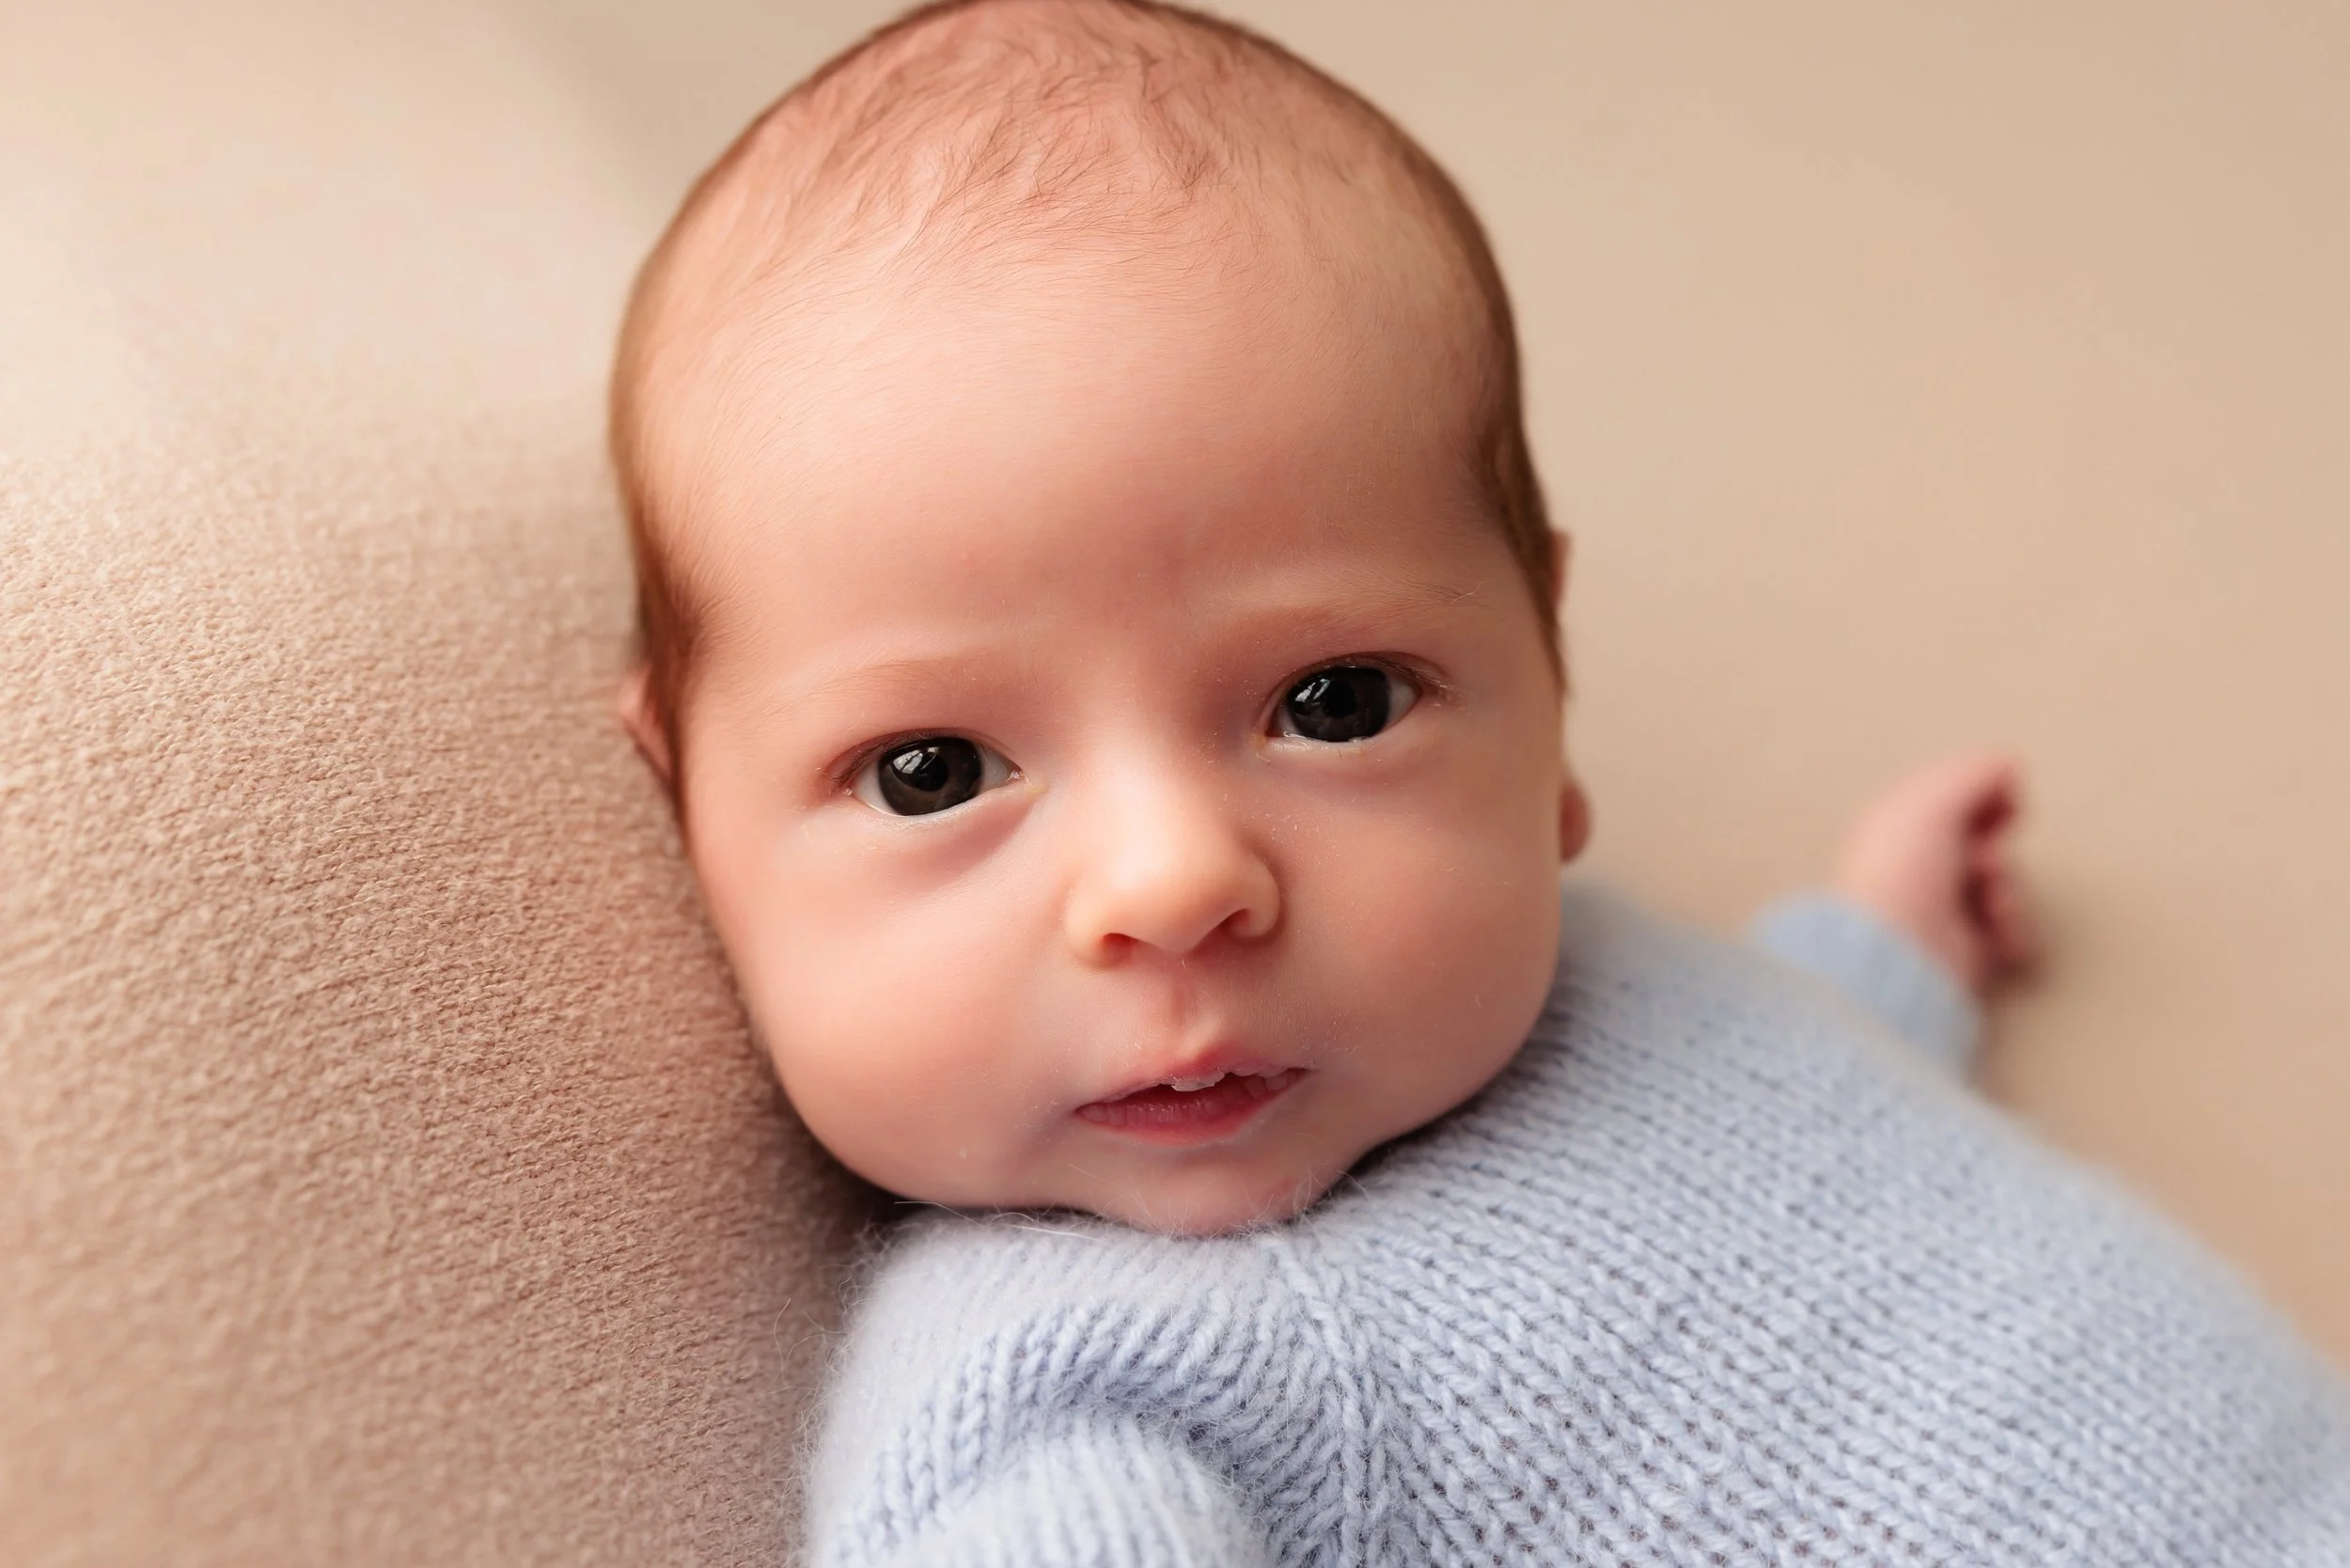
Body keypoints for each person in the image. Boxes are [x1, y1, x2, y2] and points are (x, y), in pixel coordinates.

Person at [606, 0, 2350, 1558]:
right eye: (932, 771)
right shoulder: (1076, 1364)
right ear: (692, 813)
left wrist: (1890, 939)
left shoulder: (1566, 972)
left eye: (1338, 700)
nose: (1170, 880)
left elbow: (1792, 1070)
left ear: (1551, 693)